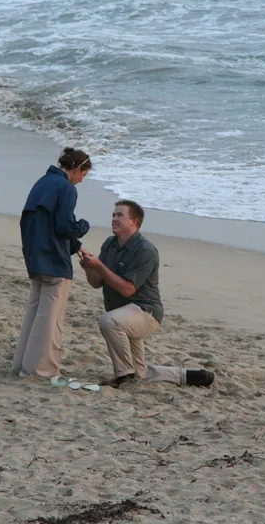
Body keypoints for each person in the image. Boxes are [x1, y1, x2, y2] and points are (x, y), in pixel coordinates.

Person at [79, 200, 215, 388]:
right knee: (141, 374)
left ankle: (123, 376)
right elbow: (96, 283)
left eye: (120, 215)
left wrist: (99, 267)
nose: (114, 219)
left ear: (134, 222)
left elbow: (128, 289)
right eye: (113, 215)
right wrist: (89, 268)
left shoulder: (145, 250)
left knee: (108, 321)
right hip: (122, 315)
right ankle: (189, 376)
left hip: (145, 312)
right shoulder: (110, 244)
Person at [12, 148, 92, 378]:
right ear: (76, 169)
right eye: (83, 175)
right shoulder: (66, 187)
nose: (81, 180)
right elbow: (64, 226)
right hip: (54, 260)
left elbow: (45, 221)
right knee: (50, 318)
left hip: (35, 255)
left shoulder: (42, 182)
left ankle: (22, 364)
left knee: (34, 313)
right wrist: (83, 226)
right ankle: (40, 369)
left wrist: (76, 246)